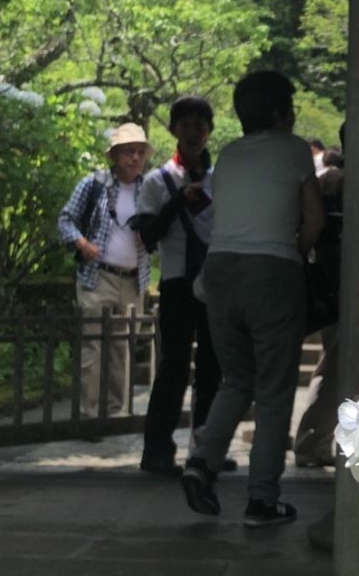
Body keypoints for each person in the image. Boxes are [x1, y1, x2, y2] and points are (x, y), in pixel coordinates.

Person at [181, 70, 324, 527]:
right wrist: (295, 255)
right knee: (276, 392)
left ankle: (202, 462)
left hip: (220, 271)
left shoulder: (226, 154)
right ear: (282, 112)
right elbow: (315, 219)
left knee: (236, 379)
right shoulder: (296, 149)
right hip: (271, 271)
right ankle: (262, 499)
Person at [136, 95, 221, 476]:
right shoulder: (158, 180)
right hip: (174, 282)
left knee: (212, 368)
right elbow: (147, 236)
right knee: (172, 367)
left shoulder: (222, 179)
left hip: (215, 281)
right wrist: (177, 202)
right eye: (185, 124)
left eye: (199, 125)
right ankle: (156, 451)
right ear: (173, 130)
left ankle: (205, 452)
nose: (193, 132)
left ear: (209, 131)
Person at [57, 122, 151, 418]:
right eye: (128, 151)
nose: (134, 158)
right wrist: (82, 243)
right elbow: (65, 220)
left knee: (122, 348)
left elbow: (163, 228)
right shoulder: (94, 184)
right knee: (93, 346)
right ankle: (89, 412)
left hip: (133, 280)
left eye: (139, 152)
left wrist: (151, 234)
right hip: (98, 277)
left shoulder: (150, 189)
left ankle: (115, 413)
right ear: (114, 155)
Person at [294, 132, 345, 468]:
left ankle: (314, 441)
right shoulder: (339, 181)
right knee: (336, 363)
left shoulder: (325, 180)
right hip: (343, 286)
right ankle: (312, 442)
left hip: (329, 285)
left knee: (334, 363)